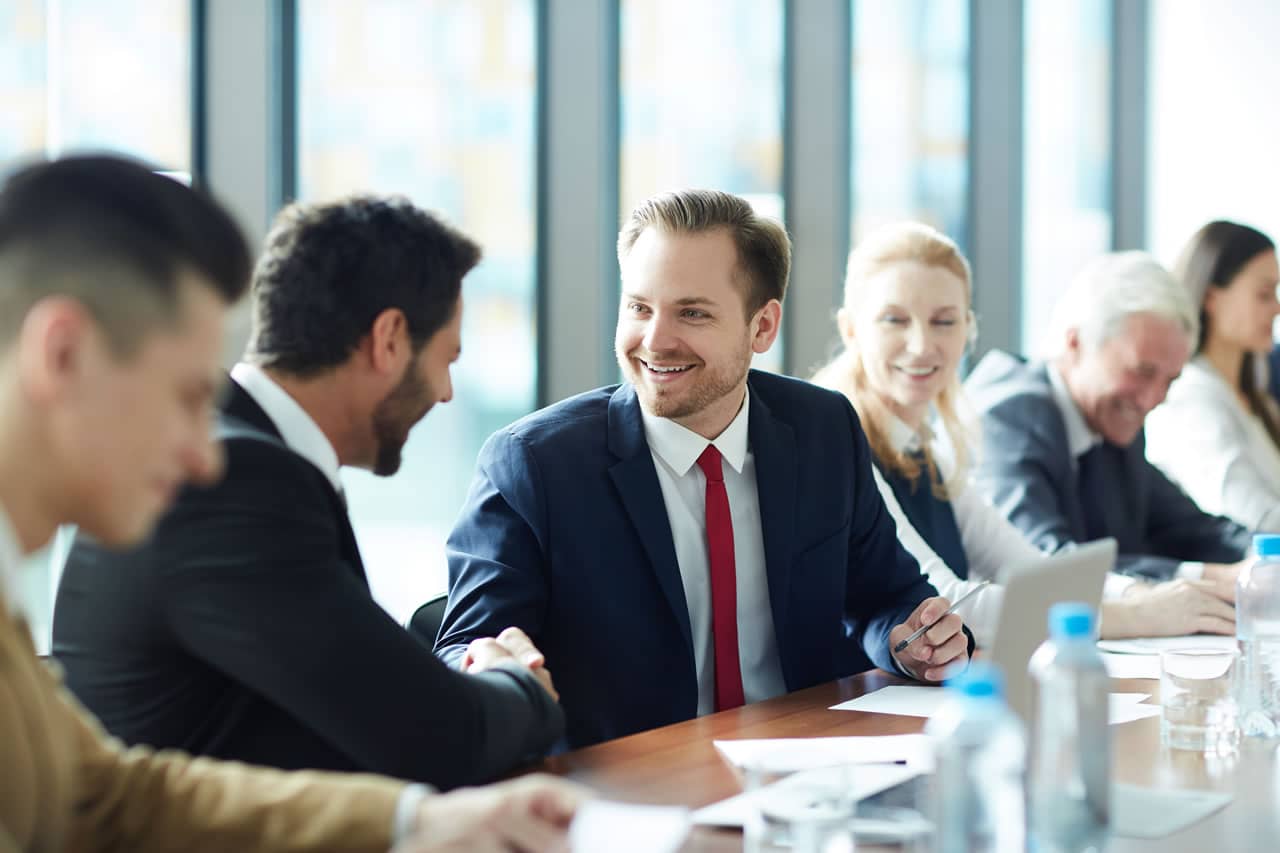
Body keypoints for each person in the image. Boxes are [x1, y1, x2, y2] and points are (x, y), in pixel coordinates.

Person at [0, 155, 583, 853]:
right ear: (62, 355)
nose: (203, 452)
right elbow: (429, 733)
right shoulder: (235, 479)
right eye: (187, 397)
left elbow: (104, 792)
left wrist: (417, 821)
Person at [435, 189, 971, 751]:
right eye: (640, 307)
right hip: (632, 790)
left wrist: (912, 638)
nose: (655, 341)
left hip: (804, 763)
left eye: (692, 312)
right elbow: (464, 648)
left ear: (762, 328)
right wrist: (487, 667)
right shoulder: (533, 464)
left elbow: (885, 595)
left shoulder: (822, 429)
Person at [813, 223, 1226, 643]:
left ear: (967, 330)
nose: (921, 345)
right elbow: (940, 604)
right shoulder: (841, 444)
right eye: (894, 320)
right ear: (851, 330)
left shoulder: (927, 445)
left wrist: (1144, 594)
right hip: (834, 700)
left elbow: (1032, 569)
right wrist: (1137, 616)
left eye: (944, 321)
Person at [966, 251, 1250, 636]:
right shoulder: (1009, 415)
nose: (1152, 399)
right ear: (1074, 343)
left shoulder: (1112, 418)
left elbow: (1186, 524)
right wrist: (1199, 577)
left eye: (1169, 380)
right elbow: (1044, 561)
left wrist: (1260, 557)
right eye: (1142, 372)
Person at [1146, 221, 1280, 532]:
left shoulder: (1256, 396)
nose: (1276, 308)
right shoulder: (1191, 397)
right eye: (1264, 294)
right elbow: (1252, 517)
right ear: (1211, 298)